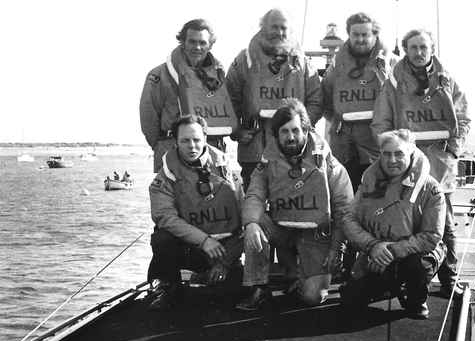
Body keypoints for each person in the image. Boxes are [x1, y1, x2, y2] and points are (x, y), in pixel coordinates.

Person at [371, 29, 470, 297]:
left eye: (423, 47)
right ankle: (399, 278)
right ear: (405, 50)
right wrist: (390, 152)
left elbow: (463, 118)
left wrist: (454, 148)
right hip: (407, 161)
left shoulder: (446, 80)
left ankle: (449, 279)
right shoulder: (393, 82)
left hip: (440, 161)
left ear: (432, 49)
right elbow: (381, 121)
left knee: (445, 223)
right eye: (413, 47)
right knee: (402, 217)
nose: (418, 52)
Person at [236, 98, 353, 311]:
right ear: (276, 134)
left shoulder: (328, 163)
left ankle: (298, 275)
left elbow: (344, 210)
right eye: (284, 132)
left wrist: (337, 248)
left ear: (306, 131)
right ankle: (258, 287)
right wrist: (251, 223)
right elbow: (254, 194)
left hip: (316, 234)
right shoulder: (268, 160)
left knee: (312, 297)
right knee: (254, 220)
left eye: (295, 130)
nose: (290, 137)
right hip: (284, 230)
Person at [340, 129, 445, 319]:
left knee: (417, 267)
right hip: (376, 252)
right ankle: (390, 286)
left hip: (414, 254)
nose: (392, 160)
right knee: (350, 300)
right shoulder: (368, 182)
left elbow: (432, 236)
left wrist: (392, 251)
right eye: (386, 154)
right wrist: (372, 246)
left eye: (399, 154)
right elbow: (348, 218)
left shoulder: (431, 189)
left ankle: (416, 299)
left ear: (411, 153)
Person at [147, 115, 244, 311]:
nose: (192, 146)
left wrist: (225, 262)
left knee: (229, 296)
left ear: (205, 139)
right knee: (161, 237)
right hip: (192, 247)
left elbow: (244, 220)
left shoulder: (227, 169)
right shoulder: (164, 177)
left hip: (224, 249)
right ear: (176, 142)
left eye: (197, 140)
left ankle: (213, 275)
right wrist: (203, 240)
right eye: (185, 140)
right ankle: (169, 287)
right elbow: (164, 217)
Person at [226, 9, 323, 190]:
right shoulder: (243, 61)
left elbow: (316, 100)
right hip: (254, 149)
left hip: (294, 150)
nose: (279, 32)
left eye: (283, 28)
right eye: (274, 27)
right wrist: (237, 130)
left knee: (291, 201)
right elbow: (229, 98)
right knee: (253, 199)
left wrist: (301, 128)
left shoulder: (303, 63)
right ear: (263, 28)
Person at [140, 19, 237, 173]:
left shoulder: (218, 76)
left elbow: (229, 110)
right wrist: (163, 147)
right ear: (183, 42)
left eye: (202, 43)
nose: (197, 47)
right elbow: (148, 118)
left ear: (210, 45)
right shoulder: (159, 75)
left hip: (212, 153)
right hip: (172, 150)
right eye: (192, 42)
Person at [321, 12, 398, 193]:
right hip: (344, 145)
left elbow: (405, 101)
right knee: (344, 195)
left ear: (375, 35)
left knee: (379, 196)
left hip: (378, 145)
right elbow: (324, 100)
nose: (360, 39)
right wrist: (339, 119)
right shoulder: (336, 66)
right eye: (356, 35)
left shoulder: (393, 64)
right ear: (349, 35)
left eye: (365, 35)